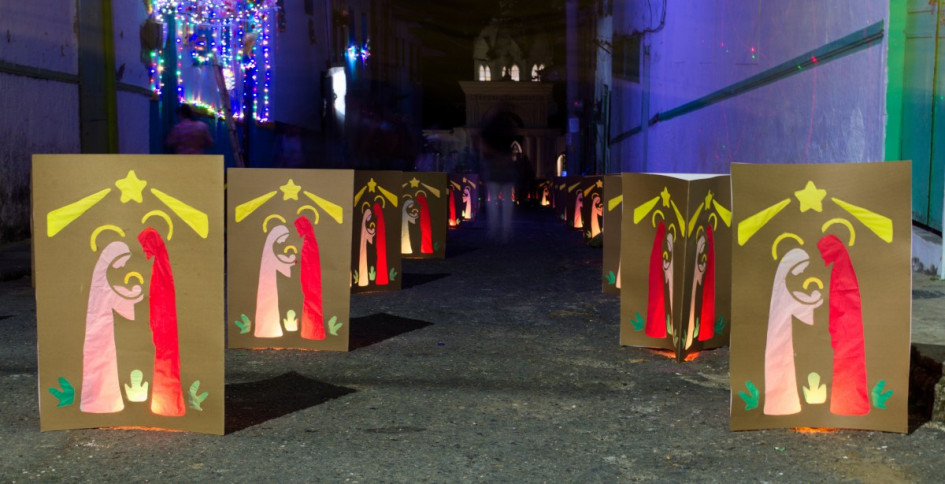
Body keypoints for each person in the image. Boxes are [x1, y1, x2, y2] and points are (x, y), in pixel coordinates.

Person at [479, 110, 519, 243]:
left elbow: (484, 147)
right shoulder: (508, 129)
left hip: (493, 167)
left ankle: (494, 230)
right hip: (506, 167)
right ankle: (505, 231)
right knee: (507, 200)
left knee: (492, 200)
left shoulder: (488, 130)